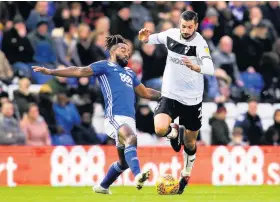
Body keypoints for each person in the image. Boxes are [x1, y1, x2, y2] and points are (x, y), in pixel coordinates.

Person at [32, 34, 161, 194]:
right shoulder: (104, 66)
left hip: (130, 119)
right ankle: (138, 175)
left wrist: (166, 95)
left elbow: (146, 92)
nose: (127, 53)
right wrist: (52, 71)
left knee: (124, 162)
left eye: (128, 51)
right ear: (113, 52)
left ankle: (103, 186)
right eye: (123, 49)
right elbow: (79, 71)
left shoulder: (130, 73)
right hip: (114, 117)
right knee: (131, 138)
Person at [138, 10, 215, 194]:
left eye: (190, 27)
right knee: (159, 129)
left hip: (192, 100)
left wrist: (198, 67)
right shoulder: (170, 35)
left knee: (189, 143)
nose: (186, 30)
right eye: (184, 26)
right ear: (179, 24)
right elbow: (151, 38)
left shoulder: (200, 44)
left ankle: (186, 174)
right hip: (170, 94)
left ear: (196, 26)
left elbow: (210, 68)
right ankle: (173, 133)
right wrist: (144, 38)